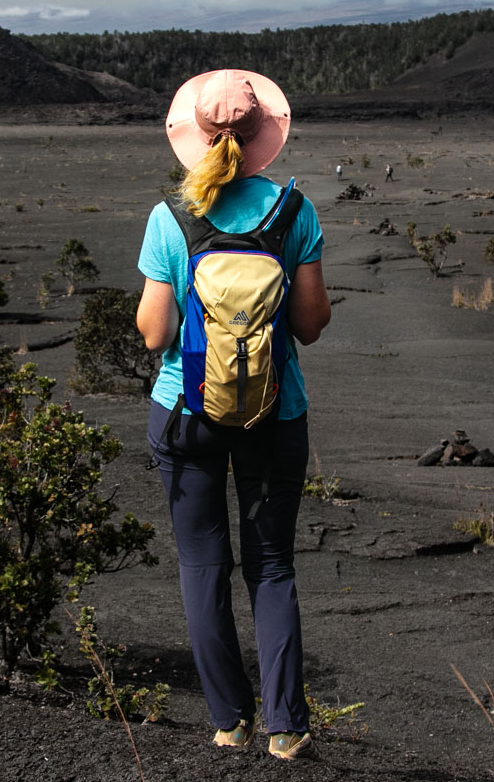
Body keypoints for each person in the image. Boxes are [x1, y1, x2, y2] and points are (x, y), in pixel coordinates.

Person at [136, 69, 331, 760]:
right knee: (272, 565)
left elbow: (156, 335)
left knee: (201, 565)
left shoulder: (172, 217)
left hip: (185, 411)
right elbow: (309, 325)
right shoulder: (292, 212)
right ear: (259, 139)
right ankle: (286, 728)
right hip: (276, 414)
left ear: (195, 136)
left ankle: (228, 721)